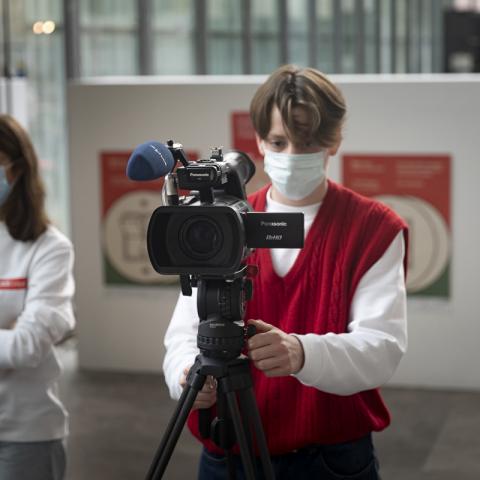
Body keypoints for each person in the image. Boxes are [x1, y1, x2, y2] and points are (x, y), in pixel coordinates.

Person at [163, 65, 408, 479]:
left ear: (334, 142)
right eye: (278, 141)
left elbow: (382, 347)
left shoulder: (374, 228)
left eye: (307, 142)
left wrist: (301, 353)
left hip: (330, 460)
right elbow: (185, 332)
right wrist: (187, 376)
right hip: (227, 453)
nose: (292, 155)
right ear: (258, 140)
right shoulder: (223, 222)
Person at [0, 114, 75, 480]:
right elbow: (13, 344)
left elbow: (28, 346)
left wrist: (18, 338)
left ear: (15, 169)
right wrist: (8, 334)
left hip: (24, 434)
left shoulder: (49, 248)